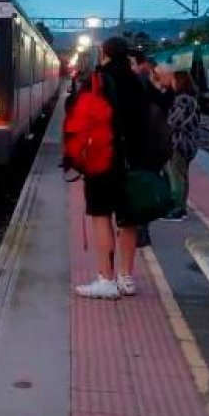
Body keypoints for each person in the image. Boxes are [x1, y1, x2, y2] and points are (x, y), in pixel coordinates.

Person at [74, 37, 152, 299]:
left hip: (103, 160)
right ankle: (126, 278)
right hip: (134, 161)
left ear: (104, 54)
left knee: (101, 216)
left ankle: (105, 280)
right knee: (128, 219)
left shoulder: (97, 81)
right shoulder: (139, 82)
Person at [163, 71, 199, 222]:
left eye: (173, 80)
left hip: (180, 142)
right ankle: (181, 208)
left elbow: (173, 121)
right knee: (183, 176)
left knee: (177, 176)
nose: (171, 83)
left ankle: (177, 209)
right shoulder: (192, 99)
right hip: (189, 143)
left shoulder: (182, 100)